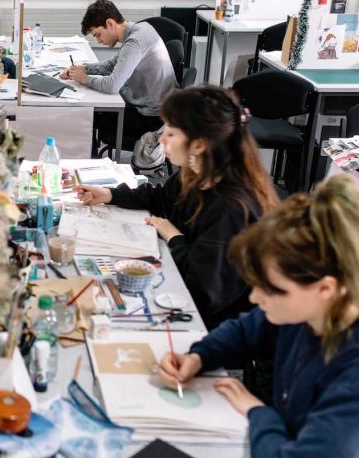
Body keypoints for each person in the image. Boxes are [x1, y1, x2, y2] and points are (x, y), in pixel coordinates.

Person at [159, 174, 359, 458]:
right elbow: (246, 329)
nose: (254, 298)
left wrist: (257, 413)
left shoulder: (355, 378)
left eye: (272, 290)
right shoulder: (306, 311)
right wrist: (199, 356)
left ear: (326, 289)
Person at [74, 86, 279, 329]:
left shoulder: (230, 207)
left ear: (199, 145)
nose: (161, 139)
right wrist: (110, 194)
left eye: (171, 133)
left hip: (212, 322)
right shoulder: (199, 172)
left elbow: (202, 290)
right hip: (183, 281)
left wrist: (173, 236)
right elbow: (161, 197)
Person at [61, 0, 177, 144]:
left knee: (86, 115)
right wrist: (83, 68)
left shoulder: (135, 41)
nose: (99, 41)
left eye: (98, 35)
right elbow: (111, 65)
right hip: (154, 107)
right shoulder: (140, 29)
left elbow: (112, 86)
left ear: (110, 24)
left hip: (150, 119)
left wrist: (84, 78)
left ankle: (92, 161)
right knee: (92, 110)